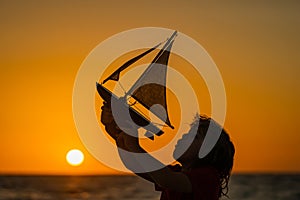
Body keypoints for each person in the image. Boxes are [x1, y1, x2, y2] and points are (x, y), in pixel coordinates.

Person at [101, 101, 235, 200]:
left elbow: (165, 179)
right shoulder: (177, 172)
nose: (183, 136)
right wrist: (113, 128)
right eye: (187, 133)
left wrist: (136, 147)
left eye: (193, 136)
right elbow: (134, 164)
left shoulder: (208, 177)